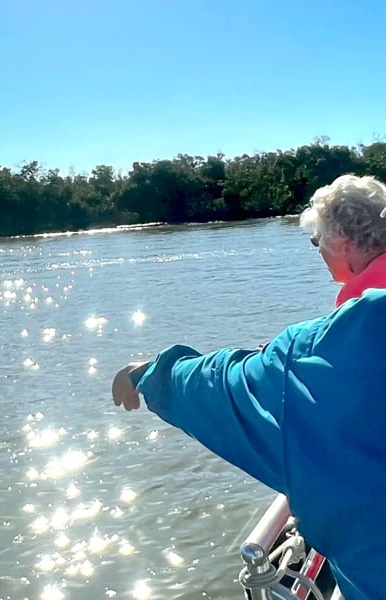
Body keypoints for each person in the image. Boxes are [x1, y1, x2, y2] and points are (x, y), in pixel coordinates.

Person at [111, 174, 386, 600]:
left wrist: (151, 373)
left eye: (317, 242)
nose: (317, 251)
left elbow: (223, 389)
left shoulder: (318, 352)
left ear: (345, 244)